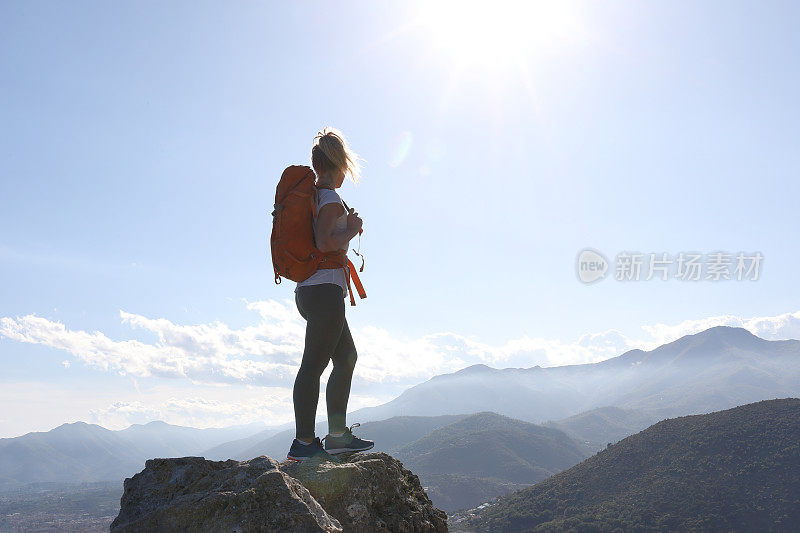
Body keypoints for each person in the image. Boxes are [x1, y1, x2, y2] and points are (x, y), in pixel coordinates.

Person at [286, 127, 374, 462]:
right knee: (314, 365)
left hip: (312, 291)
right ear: (339, 165)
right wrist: (351, 230)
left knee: (346, 357)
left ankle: (336, 436)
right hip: (324, 293)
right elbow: (325, 243)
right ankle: (305, 443)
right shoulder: (331, 200)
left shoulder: (315, 196)